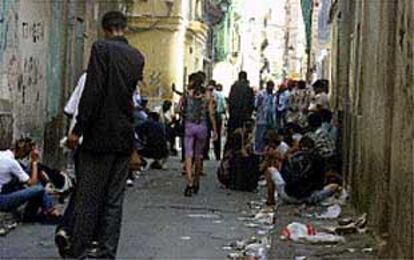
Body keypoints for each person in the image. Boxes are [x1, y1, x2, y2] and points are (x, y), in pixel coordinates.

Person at [57, 11, 145, 259]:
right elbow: (130, 102)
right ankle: (107, 252)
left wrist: (77, 130)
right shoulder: (136, 57)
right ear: (123, 28)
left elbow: (93, 92)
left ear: (104, 28)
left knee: (88, 197)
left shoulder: (101, 49)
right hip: (123, 138)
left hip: (99, 137)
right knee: (114, 200)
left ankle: (78, 250)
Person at [265, 136, 340, 205]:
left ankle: (270, 200)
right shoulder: (318, 159)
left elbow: (285, 177)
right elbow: (320, 183)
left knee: (270, 170)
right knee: (334, 186)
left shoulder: (292, 158)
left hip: (289, 196)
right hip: (311, 197)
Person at [0, 138, 60, 221]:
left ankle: (43, 211)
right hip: (2, 201)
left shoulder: (2, 155)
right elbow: (32, 183)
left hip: (4, 190)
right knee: (40, 188)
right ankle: (51, 211)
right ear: (23, 152)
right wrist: (34, 162)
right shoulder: (12, 163)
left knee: (31, 177)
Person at [179, 72, 217, 197]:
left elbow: (178, 109)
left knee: (188, 156)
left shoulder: (186, 94)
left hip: (189, 126)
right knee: (198, 155)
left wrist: (184, 111)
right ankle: (196, 180)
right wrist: (215, 130)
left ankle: (189, 183)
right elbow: (211, 114)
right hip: (202, 127)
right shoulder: (208, 95)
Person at [228, 71, 255, 136]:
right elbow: (251, 104)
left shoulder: (233, 87)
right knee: (242, 136)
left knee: (232, 134)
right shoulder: (248, 89)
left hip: (233, 115)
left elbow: (230, 101)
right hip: (244, 116)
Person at [254, 80, 277, 155]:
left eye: (272, 86)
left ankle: (267, 150)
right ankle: (259, 151)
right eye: (270, 86)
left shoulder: (274, 95)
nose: (271, 88)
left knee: (270, 135)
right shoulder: (261, 94)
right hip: (262, 117)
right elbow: (256, 105)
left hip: (271, 118)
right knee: (260, 135)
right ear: (267, 86)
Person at [213, 83, 227, 160]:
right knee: (217, 134)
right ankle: (217, 155)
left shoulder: (212, 94)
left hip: (210, 114)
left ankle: (205, 153)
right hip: (218, 115)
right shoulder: (221, 96)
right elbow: (224, 107)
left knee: (208, 134)